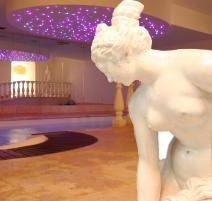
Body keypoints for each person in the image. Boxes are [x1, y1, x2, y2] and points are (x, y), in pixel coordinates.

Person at [91, 0, 212, 201]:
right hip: (175, 178)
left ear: (126, 55)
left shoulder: (198, 65)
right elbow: (148, 164)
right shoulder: (138, 103)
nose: (110, 78)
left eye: (107, 69)